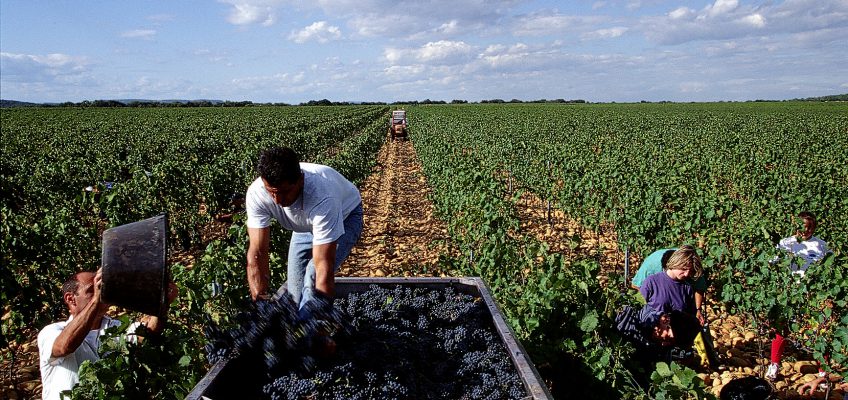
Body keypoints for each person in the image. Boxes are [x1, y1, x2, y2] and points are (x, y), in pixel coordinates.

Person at [245, 146, 363, 318]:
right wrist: (260, 304)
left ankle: (310, 332)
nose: (278, 201)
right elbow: (257, 253)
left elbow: (324, 267)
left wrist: (319, 326)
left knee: (312, 276)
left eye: (284, 192)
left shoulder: (322, 197)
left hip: (345, 217)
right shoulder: (257, 193)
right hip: (305, 225)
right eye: (272, 193)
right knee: (294, 293)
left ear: (300, 180)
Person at [37, 269, 178, 400]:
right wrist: (96, 301)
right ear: (70, 299)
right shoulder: (52, 332)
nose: (101, 294)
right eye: (91, 290)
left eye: (102, 289)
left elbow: (146, 334)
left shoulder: (115, 328)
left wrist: (163, 303)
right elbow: (63, 347)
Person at [765, 211, 831, 381]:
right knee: (781, 330)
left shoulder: (821, 245)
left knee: (817, 332)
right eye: (802, 227)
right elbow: (772, 265)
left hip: (812, 295)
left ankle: (823, 373)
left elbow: (829, 270)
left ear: (814, 228)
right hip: (789, 293)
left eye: (809, 227)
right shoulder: (786, 243)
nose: (805, 230)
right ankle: (774, 365)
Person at [615, 304, 701, 381]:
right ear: (665, 320)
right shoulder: (627, 316)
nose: (665, 344)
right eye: (668, 338)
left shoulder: (662, 353)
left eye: (671, 344)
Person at [632, 247, 708, 324]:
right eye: (684, 269)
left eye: (690, 271)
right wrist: (658, 317)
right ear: (675, 263)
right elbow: (639, 308)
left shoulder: (687, 287)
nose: (686, 274)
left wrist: (697, 312)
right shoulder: (652, 281)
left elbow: (689, 313)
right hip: (653, 330)